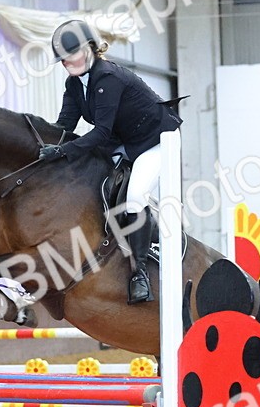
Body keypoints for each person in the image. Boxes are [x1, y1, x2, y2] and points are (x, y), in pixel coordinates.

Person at [38, 19, 182, 305]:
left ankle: (139, 272)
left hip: (155, 141)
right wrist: (43, 147)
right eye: (63, 59)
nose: (67, 62)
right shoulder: (74, 84)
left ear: (91, 49)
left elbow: (100, 131)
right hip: (121, 142)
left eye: (72, 54)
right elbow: (64, 125)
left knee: (135, 197)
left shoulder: (109, 78)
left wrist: (63, 152)